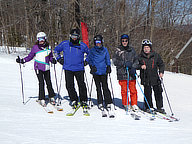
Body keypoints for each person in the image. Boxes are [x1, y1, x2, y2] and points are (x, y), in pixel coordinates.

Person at [16, 32, 57, 107]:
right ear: (37, 39)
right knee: (41, 82)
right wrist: (22, 60)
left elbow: (50, 57)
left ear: (45, 39)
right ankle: (41, 98)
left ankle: (51, 96)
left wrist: (53, 60)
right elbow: (30, 56)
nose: (41, 40)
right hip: (38, 68)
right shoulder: (35, 47)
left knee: (49, 82)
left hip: (46, 67)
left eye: (42, 39)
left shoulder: (49, 47)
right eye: (39, 39)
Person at [54, 28, 89, 110]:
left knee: (81, 85)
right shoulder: (65, 44)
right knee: (69, 85)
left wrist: (86, 61)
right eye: (73, 36)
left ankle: (83, 99)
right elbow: (56, 50)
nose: (74, 38)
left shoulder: (82, 45)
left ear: (78, 36)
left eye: (76, 36)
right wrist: (59, 59)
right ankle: (74, 99)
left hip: (79, 68)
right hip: (68, 68)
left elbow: (89, 54)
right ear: (70, 36)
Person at [88, 35, 114, 115]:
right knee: (98, 87)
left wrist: (108, 66)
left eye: (99, 42)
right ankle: (100, 101)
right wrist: (92, 66)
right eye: (96, 42)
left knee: (105, 87)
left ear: (102, 42)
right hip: (96, 71)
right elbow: (90, 59)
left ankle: (108, 101)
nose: (98, 44)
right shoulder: (92, 51)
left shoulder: (105, 50)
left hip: (103, 71)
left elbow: (107, 59)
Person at [138, 39, 165, 114]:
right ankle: (148, 107)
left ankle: (160, 107)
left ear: (150, 48)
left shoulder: (156, 55)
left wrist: (161, 72)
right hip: (145, 77)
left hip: (155, 77)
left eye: (147, 47)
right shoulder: (140, 56)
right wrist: (141, 66)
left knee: (158, 91)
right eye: (144, 48)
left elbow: (161, 64)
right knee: (147, 92)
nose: (146, 49)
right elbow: (135, 65)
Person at [112, 34, 139, 111]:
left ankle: (134, 104)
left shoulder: (132, 50)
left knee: (133, 90)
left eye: (126, 41)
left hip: (131, 73)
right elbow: (114, 61)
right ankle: (126, 103)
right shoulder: (118, 50)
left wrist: (133, 67)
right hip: (122, 73)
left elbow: (136, 60)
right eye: (123, 41)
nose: (124, 42)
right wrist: (123, 64)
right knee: (124, 90)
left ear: (128, 41)